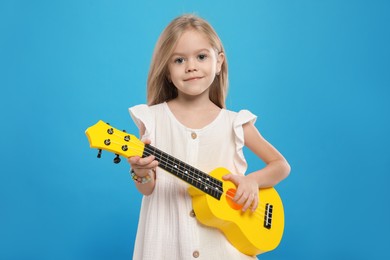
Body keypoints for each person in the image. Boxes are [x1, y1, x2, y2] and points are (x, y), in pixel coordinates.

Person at [127, 14, 290, 260]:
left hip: (223, 249)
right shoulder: (152, 120)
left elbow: (281, 166)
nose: (191, 66)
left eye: (201, 57)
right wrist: (140, 173)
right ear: (167, 70)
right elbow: (149, 189)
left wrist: (252, 182)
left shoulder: (235, 123)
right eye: (179, 60)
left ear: (219, 62)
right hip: (168, 244)